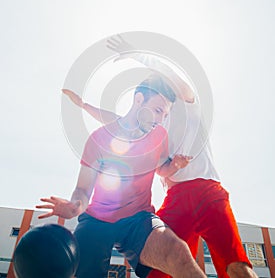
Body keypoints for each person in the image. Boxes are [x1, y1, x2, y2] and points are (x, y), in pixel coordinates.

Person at [63, 34, 258, 278]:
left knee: (233, 265)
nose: (161, 117)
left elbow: (169, 78)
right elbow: (118, 121)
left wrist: (137, 54)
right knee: (159, 271)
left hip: (206, 189)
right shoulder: (152, 125)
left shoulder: (187, 103)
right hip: (174, 195)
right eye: (157, 111)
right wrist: (84, 106)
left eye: (162, 111)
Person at [37, 75, 206, 278]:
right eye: (158, 110)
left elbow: (161, 168)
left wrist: (175, 166)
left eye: (165, 114)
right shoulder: (99, 139)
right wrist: (74, 207)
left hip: (138, 218)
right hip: (98, 219)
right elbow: (82, 190)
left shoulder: (159, 136)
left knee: (178, 252)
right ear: (138, 100)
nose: (161, 120)